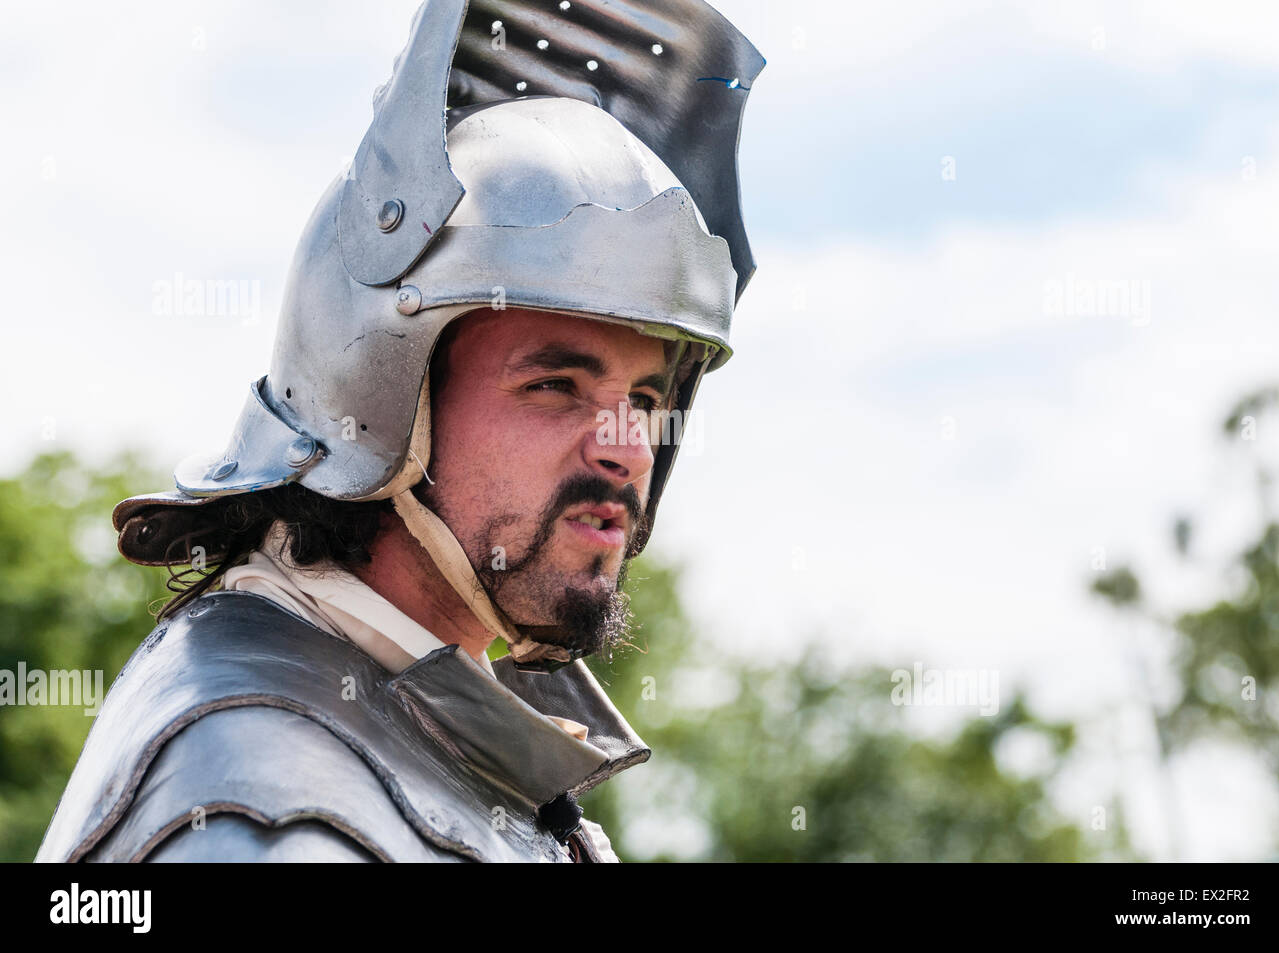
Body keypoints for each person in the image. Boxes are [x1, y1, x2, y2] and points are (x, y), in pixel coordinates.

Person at [36, 0, 763, 863]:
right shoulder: (258, 792)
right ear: (385, 393)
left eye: (645, 399)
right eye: (555, 385)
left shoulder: (453, 743)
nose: (625, 447)